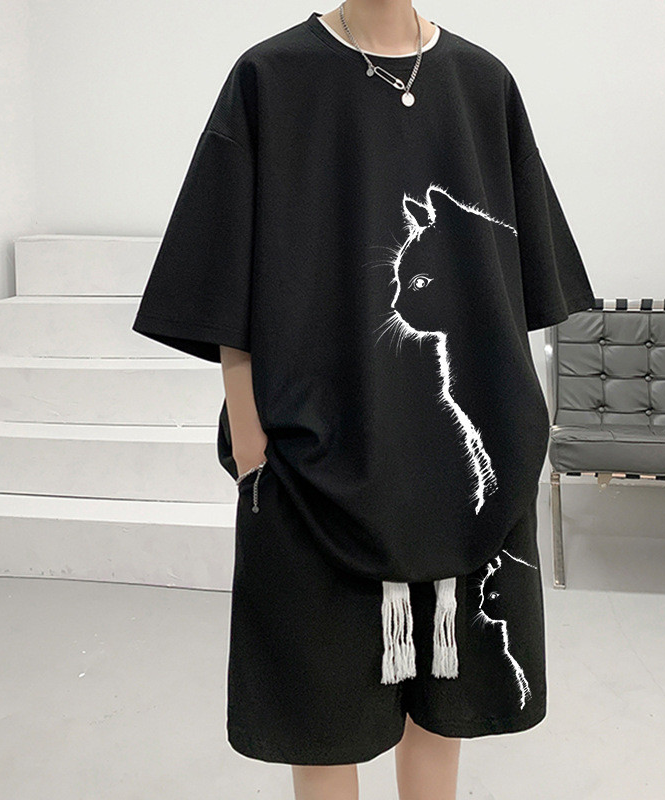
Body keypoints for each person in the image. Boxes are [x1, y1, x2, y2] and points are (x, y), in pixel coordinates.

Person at [132, 2, 596, 798]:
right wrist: (248, 430)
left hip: (462, 460)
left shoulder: (481, 82)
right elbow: (225, 264)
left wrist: (518, 427)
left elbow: (515, 278)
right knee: (321, 713)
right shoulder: (271, 76)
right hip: (313, 451)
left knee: (448, 700)